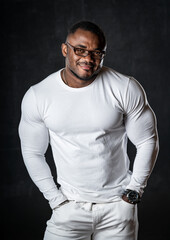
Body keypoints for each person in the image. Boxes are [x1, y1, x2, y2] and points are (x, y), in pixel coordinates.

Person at [18, 21, 159, 240]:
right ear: (65, 49)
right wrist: (55, 199)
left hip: (117, 208)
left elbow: (147, 141)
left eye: (96, 53)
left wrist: (134, 192)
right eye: (80, 50)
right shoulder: (39, 95)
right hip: (69, 207)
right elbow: (32, 152)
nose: (88, 59)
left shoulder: (125, 87)